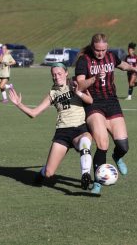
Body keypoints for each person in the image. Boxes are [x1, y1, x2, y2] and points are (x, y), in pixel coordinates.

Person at [9, 62, 94, 190]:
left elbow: (90, 100)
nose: (56, 77)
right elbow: (33, 113)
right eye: (53, 75)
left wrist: (78, 92)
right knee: (49, 172)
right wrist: (18, 104)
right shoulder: (52, 93)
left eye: (59, 73)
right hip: (62, 133)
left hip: (80, 129)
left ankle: (85, 174)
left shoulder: (75, 83)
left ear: (66, 73)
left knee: (85, 140)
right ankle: (41, 174)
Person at [75, 33, 137, 194]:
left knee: (123, 145)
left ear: (107, 48)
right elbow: (80, 85)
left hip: (112, 103)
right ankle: (97, 182)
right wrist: (94, 79)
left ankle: (117, 157)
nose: (100, 53)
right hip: (93, 104)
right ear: (92, 47)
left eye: (103, 50)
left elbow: (121, 64)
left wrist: (132, 68)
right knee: (102, 144)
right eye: (97, 50)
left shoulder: (111, 57)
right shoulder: (84, 61)